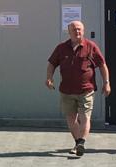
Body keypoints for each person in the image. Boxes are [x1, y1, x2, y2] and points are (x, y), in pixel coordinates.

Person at [45, 20, 110, 157]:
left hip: (86, 90)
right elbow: (52, 64)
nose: (77, 32)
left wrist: (106, 82)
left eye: (79, 29)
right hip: (67, 91)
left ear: (83, 31)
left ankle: (81, 142)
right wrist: (49, 78)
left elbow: (102, 65)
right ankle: (78, 143)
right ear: (69, 32)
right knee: (71, 119)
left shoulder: (91, 46)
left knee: (85, 117)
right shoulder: (61, 48)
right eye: (74, 29)